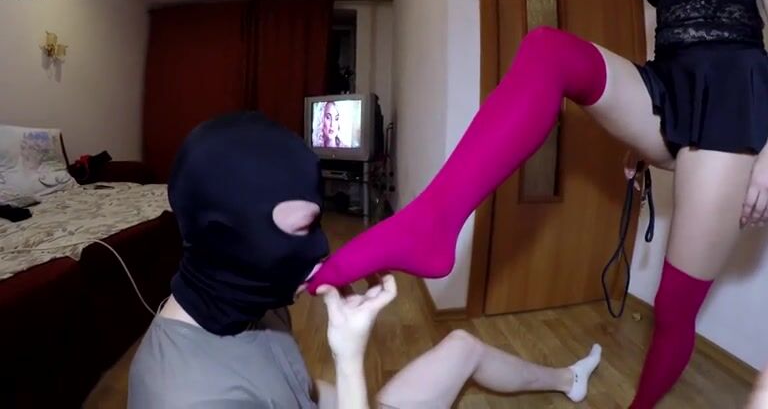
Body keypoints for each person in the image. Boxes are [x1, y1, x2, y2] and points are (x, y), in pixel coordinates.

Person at [305, 0, 768, 407]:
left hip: (732, 95)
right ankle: (432, 225)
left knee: (672, 309)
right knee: (548, 50)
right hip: (667, 84)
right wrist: (643, 133)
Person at [127, 112, 602, 408]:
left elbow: (298, 391)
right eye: (303, 228)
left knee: (462, 346)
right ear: (232, 236)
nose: (321, 249)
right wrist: (350, 359)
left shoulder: (248, 301)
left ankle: (569, 378)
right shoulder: (189, 398)